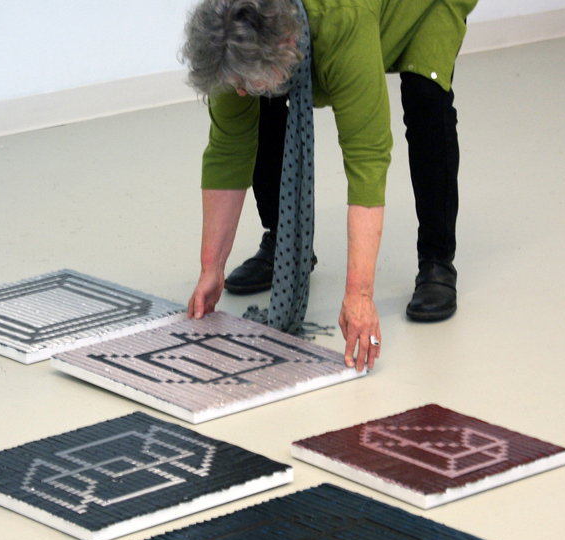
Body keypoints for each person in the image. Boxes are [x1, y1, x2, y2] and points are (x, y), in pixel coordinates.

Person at [183, 0, 476, 372]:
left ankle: (436, 261)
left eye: (243, 80)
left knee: (426, 98)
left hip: (418, 5)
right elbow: (228, 151)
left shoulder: (343, 20)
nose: (237, 92)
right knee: (261, 100)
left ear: (287, 42)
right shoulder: (235, 29)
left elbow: (367, 156)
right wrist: (211, 269)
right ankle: (285, 245)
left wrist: (360, 294)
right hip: (331, 26)